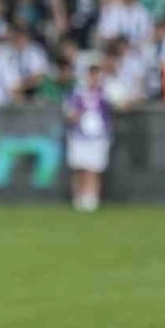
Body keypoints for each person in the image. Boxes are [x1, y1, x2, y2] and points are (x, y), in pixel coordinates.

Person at [64, 60, 113, 213]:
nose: (94, 78)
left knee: (94, 168)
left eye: (96, 74)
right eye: (91, 74)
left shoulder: (106, 92)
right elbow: (69, 113)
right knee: (79, 167)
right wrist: (77, 115)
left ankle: (91, 198)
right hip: (79, 135)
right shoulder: (76, 93)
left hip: (98, 136)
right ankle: (78, 197)